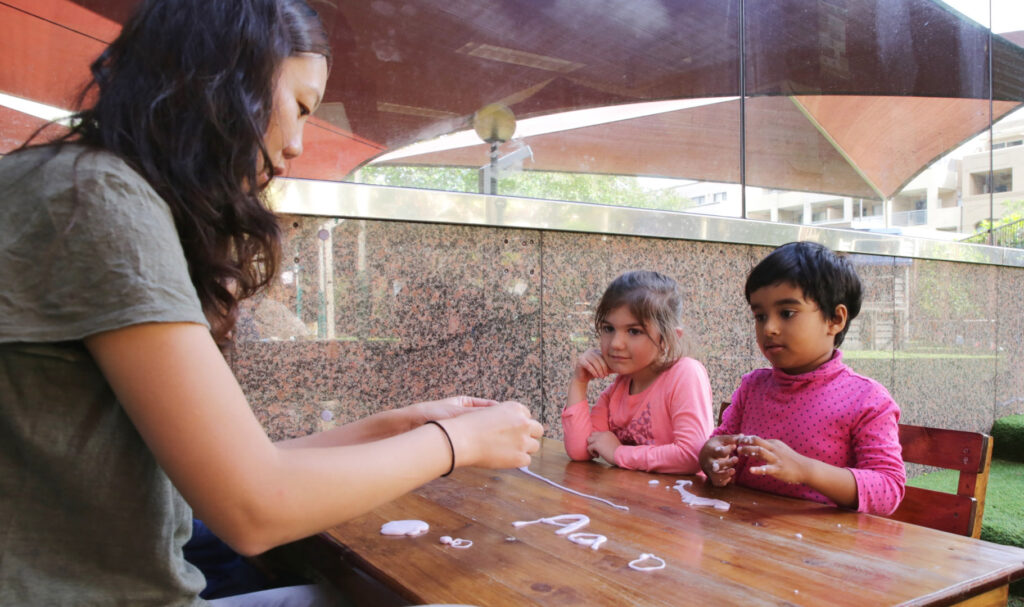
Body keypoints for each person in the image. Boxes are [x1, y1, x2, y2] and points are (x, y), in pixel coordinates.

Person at [0, 1, 543, 605]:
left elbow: (222, 475)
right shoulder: (97, 198)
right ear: (227, 83)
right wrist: (455, 445)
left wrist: (391, 428)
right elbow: (253, 508)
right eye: (302, 107)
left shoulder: (64, 180)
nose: (296, 148)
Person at [698, 241, 905, 515]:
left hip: (824, 548)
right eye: (760, 316)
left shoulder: (866, 399)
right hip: (745, 534)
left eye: (787, 313)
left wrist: (804, 470)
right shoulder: (753, 386)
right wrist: (710, 456)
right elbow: (721, 443)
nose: (769, 328)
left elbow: (888, 489)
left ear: (835, 319)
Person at [562, 270, 713, 474]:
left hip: (684, 501)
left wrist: (619, 453)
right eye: (608, 329)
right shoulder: (617, 390)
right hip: (633, 501)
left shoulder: (685, 373)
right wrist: (579, 382)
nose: (616, 343)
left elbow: (692, 455)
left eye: (634, 331)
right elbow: (580, 450)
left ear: (669, 339)